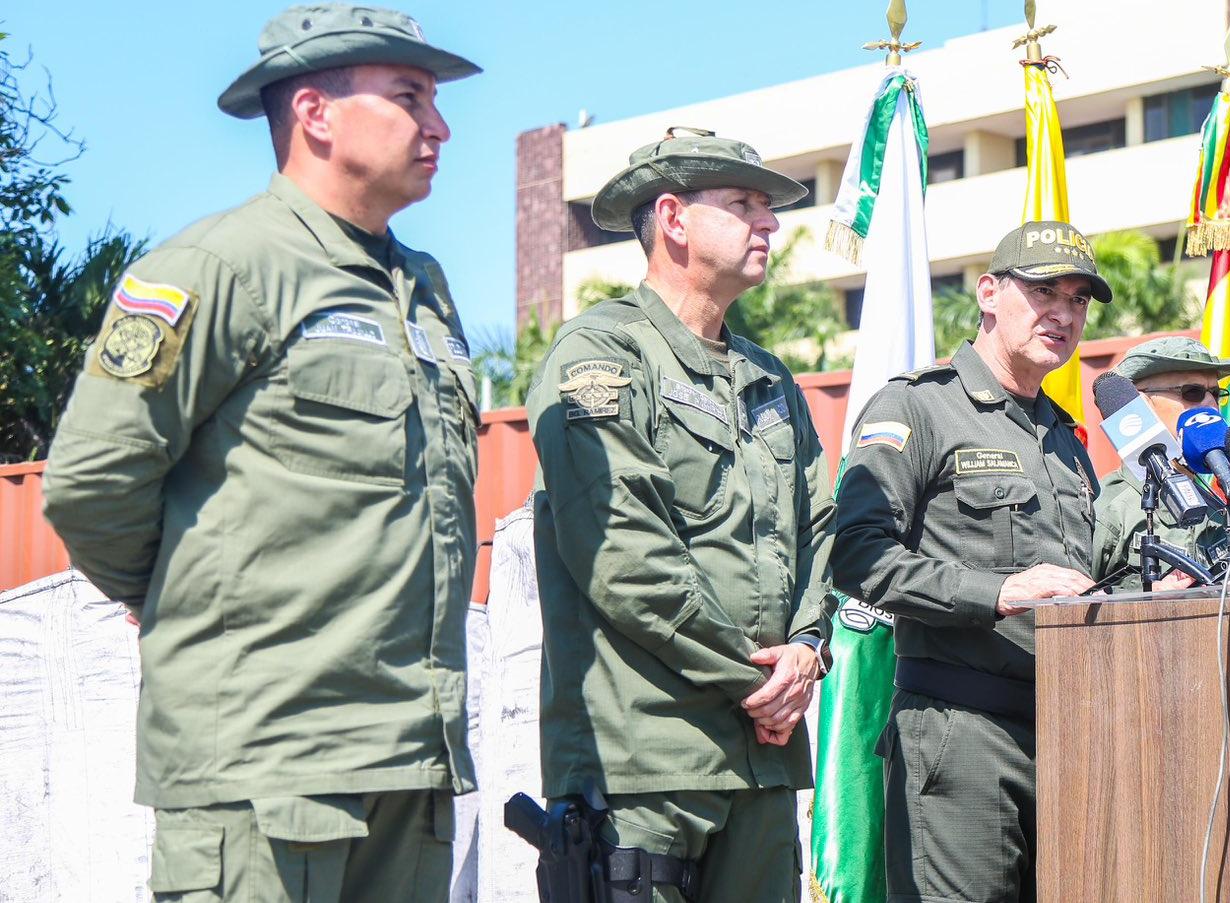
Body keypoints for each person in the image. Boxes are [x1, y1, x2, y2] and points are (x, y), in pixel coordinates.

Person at [39, 6, 480, 900]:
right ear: (315, 113)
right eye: (409, 97)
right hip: (265, 760)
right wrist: (174, 599)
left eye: (434, 102)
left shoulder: (424, 290)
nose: (439, 126)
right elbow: (91, 482)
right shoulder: (220, 266)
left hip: (408, 758)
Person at [523, 129, 833, 903]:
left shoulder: (770, 379)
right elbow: (623, 554)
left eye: (767, 207)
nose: (769, 222)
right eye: (743, 204)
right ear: (673, 218)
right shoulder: (601, 355)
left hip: (761, 762)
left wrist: (806, 649)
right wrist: (759, 681)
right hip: (644, 760)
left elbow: (821, 527)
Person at [830, 220, 1106, 903]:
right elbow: (858, 554)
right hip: (962, 735)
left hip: (1069, 733)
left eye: (1078, 300)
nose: (1064, 314)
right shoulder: (919, 406)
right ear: (988, 293)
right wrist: (997, 591)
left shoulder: (1065, 438)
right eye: (1044, 291)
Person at [1089, 336, 1230, 591]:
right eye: (1192, 392)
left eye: (1216, 394)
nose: (1211, 404)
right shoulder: (1109, 508)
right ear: (1141, 406)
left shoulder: (1217, 504)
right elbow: (1073, 605)